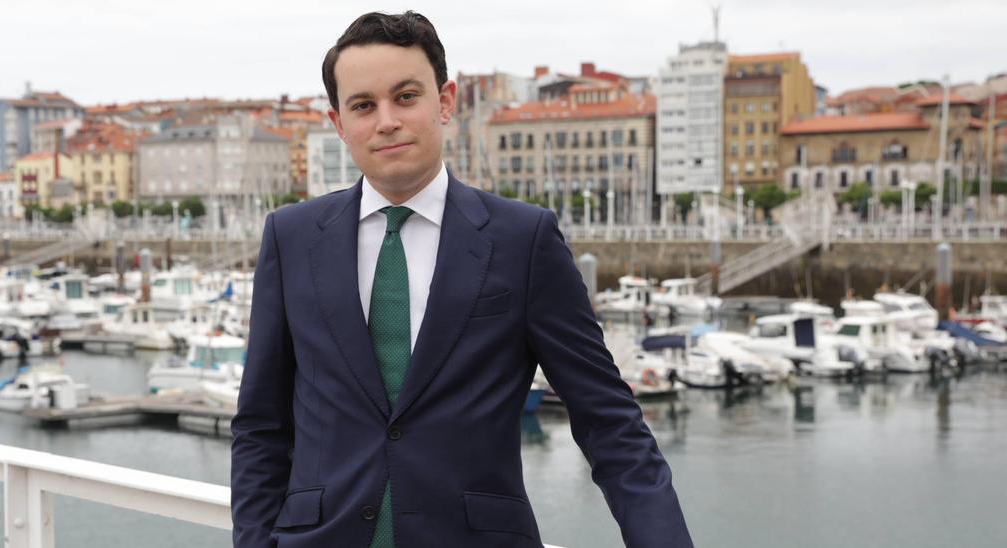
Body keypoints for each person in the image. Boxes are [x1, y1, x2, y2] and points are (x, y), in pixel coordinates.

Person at [231, 11, 691, 548]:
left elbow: (609, 424)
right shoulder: (290, 237)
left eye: (405, 97)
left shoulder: (524, 239)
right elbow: (261, 427)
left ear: (445, 102)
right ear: (338, 123)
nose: (386, 121)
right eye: (363, 105)